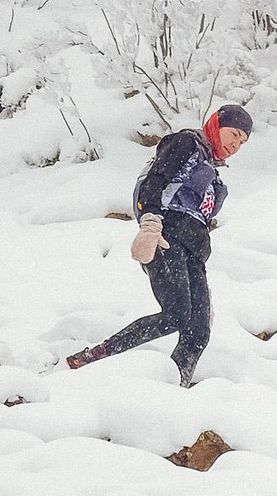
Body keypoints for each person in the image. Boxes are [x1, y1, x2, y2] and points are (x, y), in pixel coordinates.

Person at [65, 104, 252, 385]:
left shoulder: (213, 173)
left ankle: (173, 386)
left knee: (199, 331)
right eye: (234, 134)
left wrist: (200, 281)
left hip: (193, 254)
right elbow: (156, 179)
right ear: (216, 124)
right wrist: (150, 222)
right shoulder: (186, 143)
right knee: (176, 315)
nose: (236, 145)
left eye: (243, 141)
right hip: (165, 237)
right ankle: (97, 357)